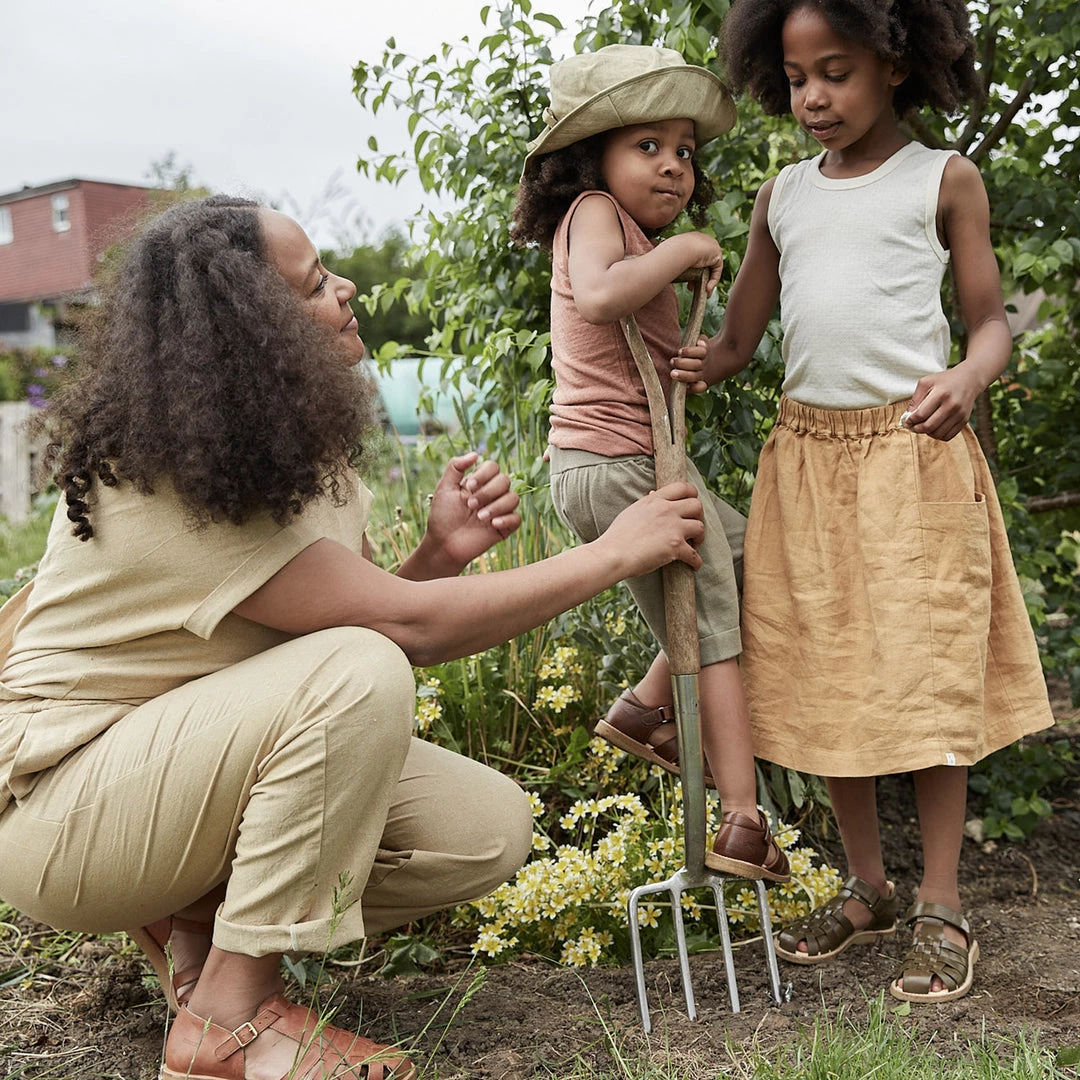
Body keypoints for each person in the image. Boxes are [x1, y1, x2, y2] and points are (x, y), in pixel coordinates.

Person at [0, 195, 707, 1080]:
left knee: (480, 829)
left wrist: (439, 553)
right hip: (65, 813)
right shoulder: (176, 481)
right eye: (311, 286)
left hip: (179, 771)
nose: (345, 289)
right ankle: (229, 1019)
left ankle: (198, 932)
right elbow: (393, 635)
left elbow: (366, 622)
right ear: (251, 332)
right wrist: (611, 553)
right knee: (360, 666)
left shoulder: (278, 454)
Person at [665, 0, 1054, 1003]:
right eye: (795, 80)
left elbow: (988, 323)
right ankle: (867, 887)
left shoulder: (943, 179)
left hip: (913, 458)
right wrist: (676, 354)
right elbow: (741, 341)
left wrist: (967, 381)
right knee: (836, 673)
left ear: (894, 60)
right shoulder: (781, 197)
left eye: (834, 72)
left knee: (922, 681)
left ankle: (938, 899)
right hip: (809, 461)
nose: (813, 99)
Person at [511, 44, 790, 884]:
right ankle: (741, 820)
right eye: (649, 147)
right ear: (590, 157)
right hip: (621, 463)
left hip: (635, 460)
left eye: (685, 151)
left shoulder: (628, 229)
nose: (673, 165)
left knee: (752, 558)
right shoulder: (594, 212)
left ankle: (643, 708)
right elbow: (599, 294)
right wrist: (687, 248)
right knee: (712, 625)